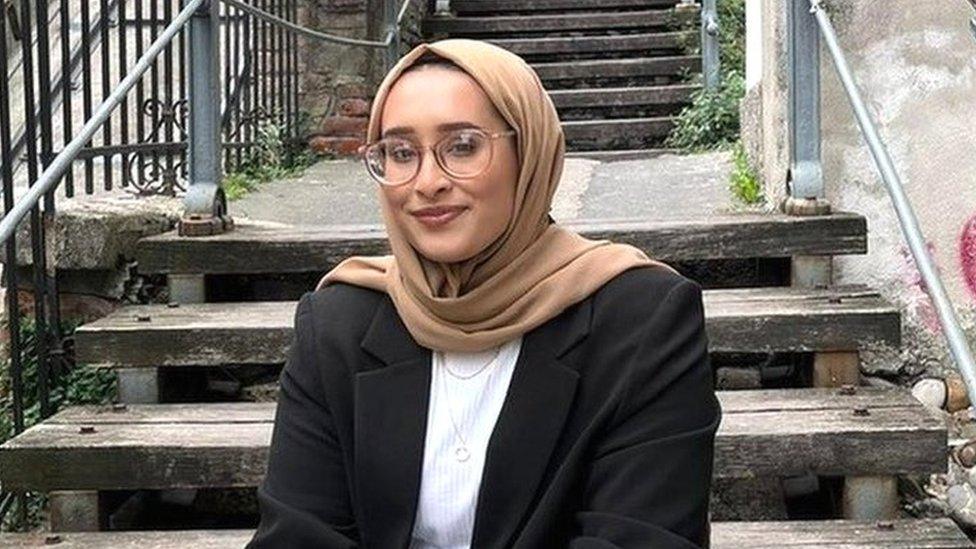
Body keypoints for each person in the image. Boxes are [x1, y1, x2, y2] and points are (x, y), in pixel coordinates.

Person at [247, 39, 721, 549]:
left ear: (530, 153)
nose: (427, 182)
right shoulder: (340, 321)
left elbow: (642, 539)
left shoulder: (642, 318)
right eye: (401, 153)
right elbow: (297, 537)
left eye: (463, 146)